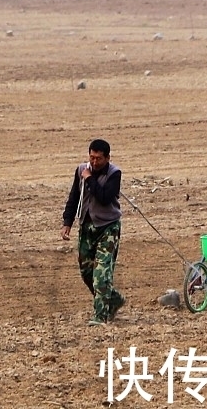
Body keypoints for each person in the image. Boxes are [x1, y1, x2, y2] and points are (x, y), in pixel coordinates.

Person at [61, 139, 125, 326]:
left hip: (108, 228)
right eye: (92, 157)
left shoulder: (114, 174)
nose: (95, 162)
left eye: (99, 158)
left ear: (107, 158)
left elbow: (105, 198)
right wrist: (67, 223)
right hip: (87, 227)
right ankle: (113, 300)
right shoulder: (81, 169)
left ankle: (101, 316)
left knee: (102, 275)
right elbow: (74, 197)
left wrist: (89, 178)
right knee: (87, 272)